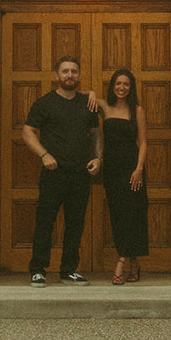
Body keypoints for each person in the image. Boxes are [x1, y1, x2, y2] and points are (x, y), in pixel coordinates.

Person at [21, 55, 100, 286]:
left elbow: (95, 133)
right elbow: (27, 132)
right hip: (54, 173)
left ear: (79, 75)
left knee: (75, 223)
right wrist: (44, 155)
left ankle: (68, 270)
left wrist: (98, 158)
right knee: (45, 221)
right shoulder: (44, 103)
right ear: (56, 75)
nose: (69, 75)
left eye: (74, 71)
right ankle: (38, 269)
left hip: (80, 173)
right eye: (65, 71)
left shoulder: (87, 104)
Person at [97, 67, 149, 285]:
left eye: (126, 84)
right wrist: (91, 95)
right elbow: (84, 95)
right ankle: (134, 263)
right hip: (111, 168)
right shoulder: (104, 106)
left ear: (131, 87)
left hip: (131, 168)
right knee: (118, 215)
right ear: (112, 86)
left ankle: (121, 261)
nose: (121, 87)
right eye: (118, 83)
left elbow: (144, 142)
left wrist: (138, 170)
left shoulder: (136, 110)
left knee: (133, 214)